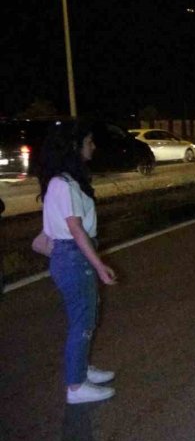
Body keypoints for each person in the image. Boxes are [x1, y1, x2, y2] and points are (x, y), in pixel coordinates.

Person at [38, 121, 119, 404]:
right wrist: (99, 265)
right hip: (75, 256)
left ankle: (81, 369)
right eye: (88, 142)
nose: (93, 146)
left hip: (73, 256)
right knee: (81, 322)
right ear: (75, 147)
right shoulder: (63, 184)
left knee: (87, 316)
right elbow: (75, 229)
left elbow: (51, 233)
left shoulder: (65, 182)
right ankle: (75, 386)